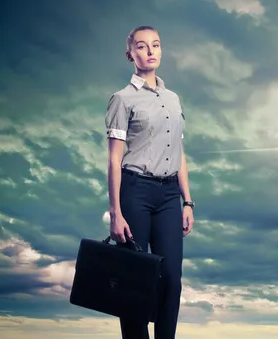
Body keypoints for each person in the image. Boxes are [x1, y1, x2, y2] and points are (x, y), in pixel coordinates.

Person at [104, 25, 194, 339]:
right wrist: (115, 212)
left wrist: (188, 201)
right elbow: (115, 159)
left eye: (155, 45)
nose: (150, 51)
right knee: (134, 281)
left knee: (171, 278)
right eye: (142, 46)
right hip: (135, 193)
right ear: (131, 54)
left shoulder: (173, 98)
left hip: (170, 196)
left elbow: (179, 151)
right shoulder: (122, 99)